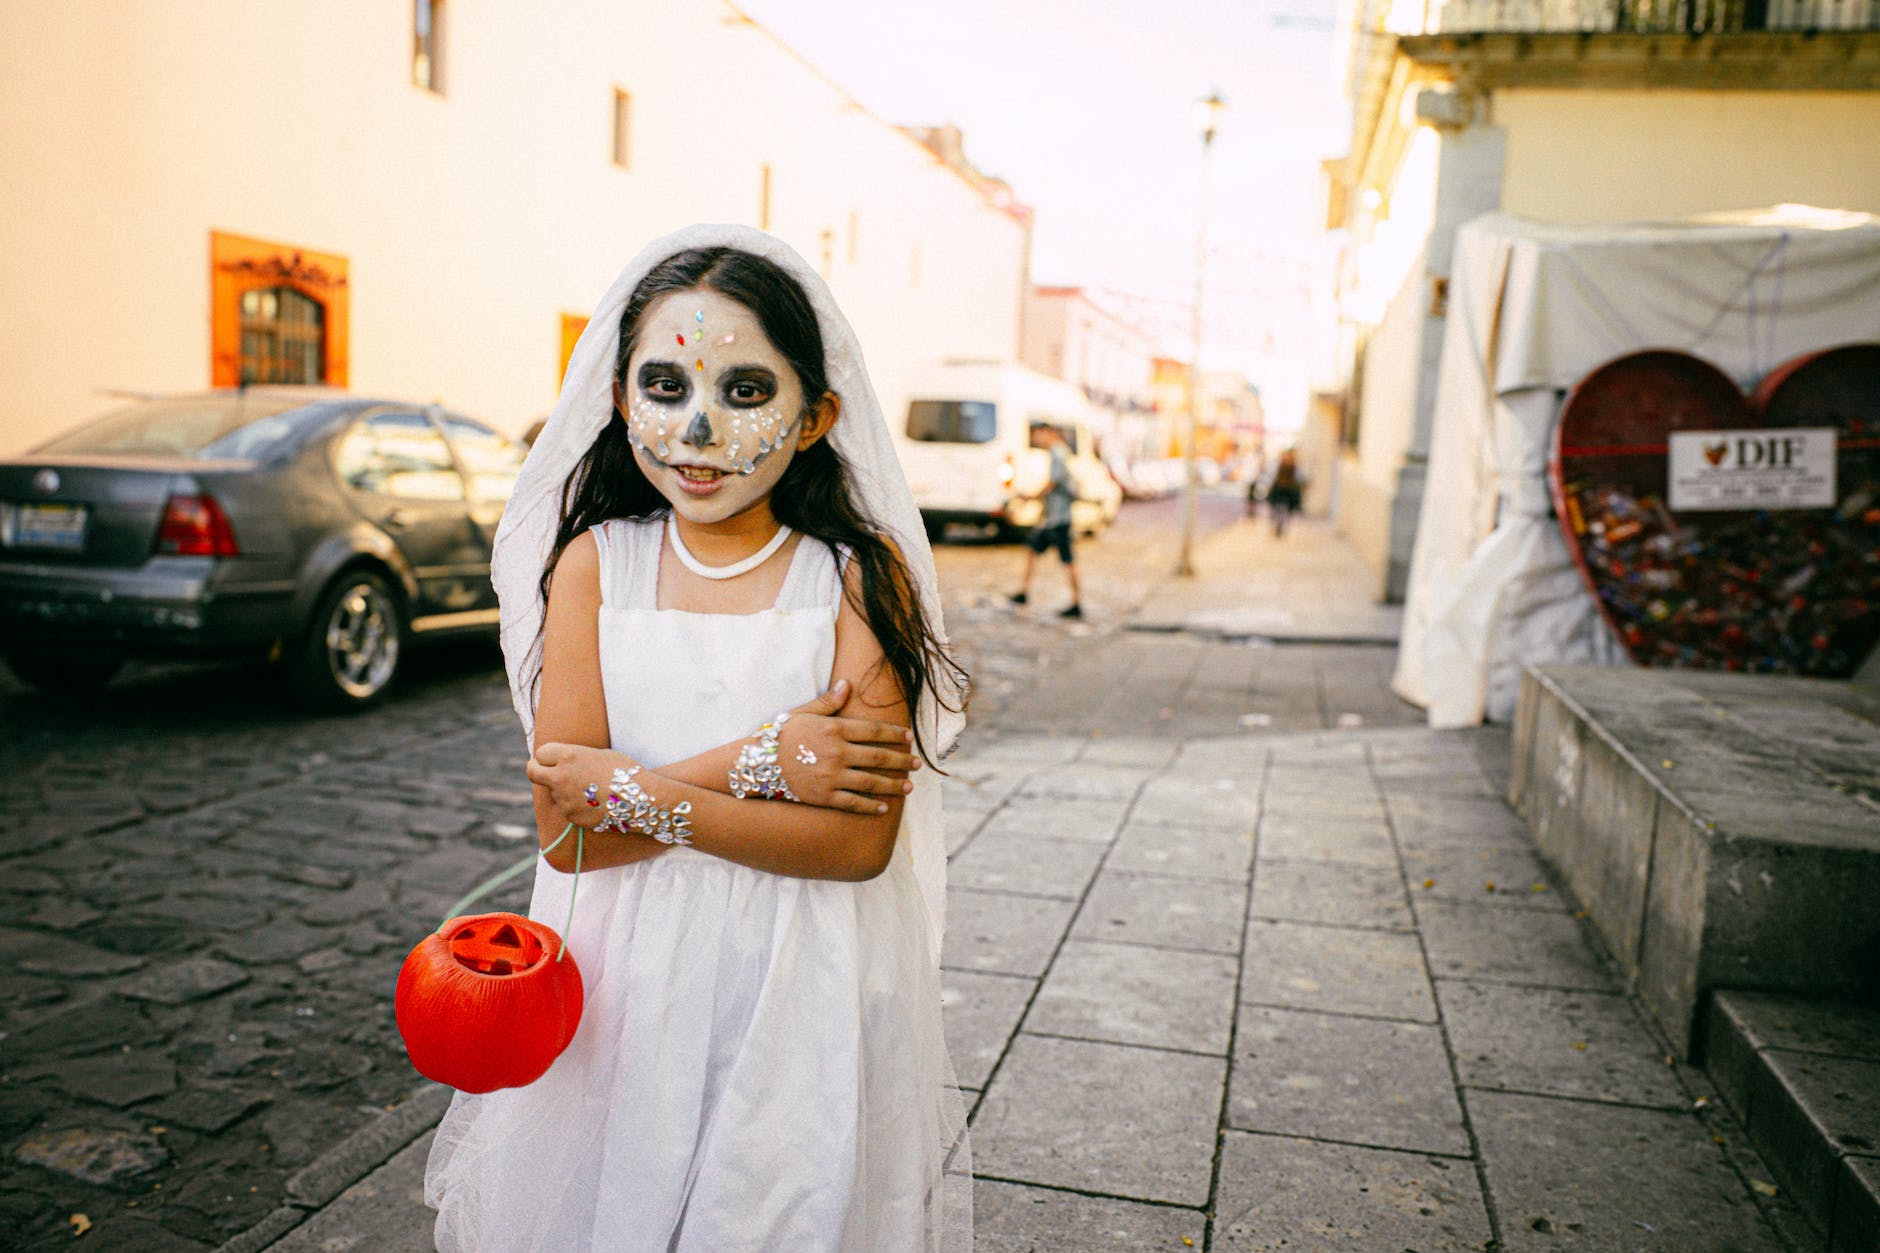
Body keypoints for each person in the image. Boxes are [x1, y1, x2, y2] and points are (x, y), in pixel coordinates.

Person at [423, 226, 972, 1252]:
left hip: (793, 981)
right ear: (620, 399)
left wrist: (621, 786)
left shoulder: (854, 579)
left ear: (816, 418)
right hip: (622, 977)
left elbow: (853, 847)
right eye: (665, 386)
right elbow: (567, 837)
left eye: (746, 391)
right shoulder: (594, 565)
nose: (699, 427)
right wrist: (764, 758)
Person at [1008, 422, 1084, 618]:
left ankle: (1077, 603)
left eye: (1036, 435)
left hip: (1059, 519)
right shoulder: (1060, 451)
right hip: (1054, 518)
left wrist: (1031, 497)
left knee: (1068, 560)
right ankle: (1023, 592)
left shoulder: (1058, 453)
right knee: (1032, 549)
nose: (1034, 440)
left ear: (1046, 433)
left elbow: (1053, 482)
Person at [1264, 447, 1304, 538]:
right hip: (1281, 489)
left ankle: (1281, 524)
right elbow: (1271, 476)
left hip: (1287, 489)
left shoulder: (1295, 466)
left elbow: (1300, 478)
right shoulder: (1278, 465)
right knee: (1276, 508)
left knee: (1286, 509)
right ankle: (1278, 524)